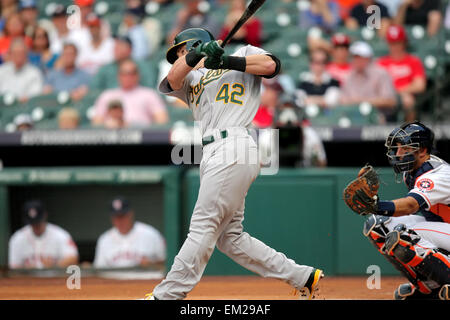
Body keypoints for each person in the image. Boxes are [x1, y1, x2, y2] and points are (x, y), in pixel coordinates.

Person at [144, 27, 324, 300]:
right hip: (213, 152)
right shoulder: (190, 79)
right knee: (230, 238)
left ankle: (167, 295)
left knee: (203, 226)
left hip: (235, 143)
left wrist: (226, 61)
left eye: (183, 49)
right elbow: (171, 79)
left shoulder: (244, 53)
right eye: (180, 53)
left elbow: (271, 65)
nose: (180, 56)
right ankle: (303, 276)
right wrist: (197, 56)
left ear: (197, 42)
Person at [362, 121, 450, 300]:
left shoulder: (438, 174)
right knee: (378, 225)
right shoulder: (411, 171)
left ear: (423, 151)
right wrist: (376, 209)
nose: (398, 153)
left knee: (404, 235)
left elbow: (410, 206)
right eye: (397, 148)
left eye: (405, 148)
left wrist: (376, 204)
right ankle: (428, 286)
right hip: (445, 229)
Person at [92, 59, 168, 127]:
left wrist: (134, 125)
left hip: (141, 135)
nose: (127, 77)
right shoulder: (107, 95)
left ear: (137, 75)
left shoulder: (149, 94)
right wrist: (106, 125)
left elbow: (162, 120)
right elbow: (96, 122)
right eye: (124, 73)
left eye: (131, 73)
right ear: (118, 75)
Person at [93, 197, 166, 268]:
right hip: (115, 279)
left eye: (122, 216)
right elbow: (99, 270)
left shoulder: (151, 234)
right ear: (111, 218)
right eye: (116, 217)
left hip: (145, 278)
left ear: (131, 214)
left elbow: (168, 262)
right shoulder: (104, 239)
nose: (120, 221)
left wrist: (152, 263)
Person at [8, 200, 79, 269]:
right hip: (28, 279)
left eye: (38, 222)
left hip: (54, 278)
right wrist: (27, 270)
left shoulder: (60, 235)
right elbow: (13, 266)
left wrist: (54, 266)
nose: (35, 226)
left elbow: (73, 258)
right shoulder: (17, 238)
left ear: (45, 215)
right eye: (32, 223)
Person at [377, 25, 426, 122]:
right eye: (392, 43)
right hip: (385, 99)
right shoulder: (381, 62)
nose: (395, 46)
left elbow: (420, 85)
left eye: (398, 43)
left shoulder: (413, 61)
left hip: (405, 99)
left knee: (408, 101)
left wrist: (400, 93)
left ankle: (408, 134)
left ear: (404, 43)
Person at [340, 41, 397, 123]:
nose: (356, 60)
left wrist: (362, 101)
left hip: (378, 117)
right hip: (354, 117)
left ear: (368, 58)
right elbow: (343, 100)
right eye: (354, 57)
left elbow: (390, 101)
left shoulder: (380, 74)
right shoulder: (349, 76)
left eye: (359, 57)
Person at [0, 38, 43, 102]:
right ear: (10, 54)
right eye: (15, 53)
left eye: (21, 53)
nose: (18, 56)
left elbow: (35, 96)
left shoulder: (34, 73)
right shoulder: (2, 70)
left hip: (24, 109)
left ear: (26, 54)